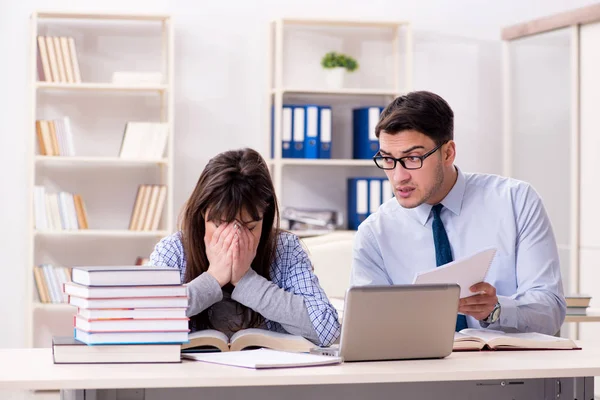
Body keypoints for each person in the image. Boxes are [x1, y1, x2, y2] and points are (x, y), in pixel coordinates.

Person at [351, 91, 566, 335]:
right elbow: (366, 329)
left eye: (412, 158)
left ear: (448, 153)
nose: (399, 176)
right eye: (387, 159)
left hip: (507, 368)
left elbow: (551, 312)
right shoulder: (374, 233)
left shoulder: (515, 201)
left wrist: (496, 310)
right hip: (417, 370)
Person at [149, 148, 340, 346]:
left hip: (271, 374)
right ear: (202, 215)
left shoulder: (286, 249)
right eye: (220, 224)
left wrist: (246, 280)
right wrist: (212, 279)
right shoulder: (174, 250)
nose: (235, 238)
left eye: (249, 227)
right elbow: (143, 322)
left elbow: (326, 330)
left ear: (264, 221)